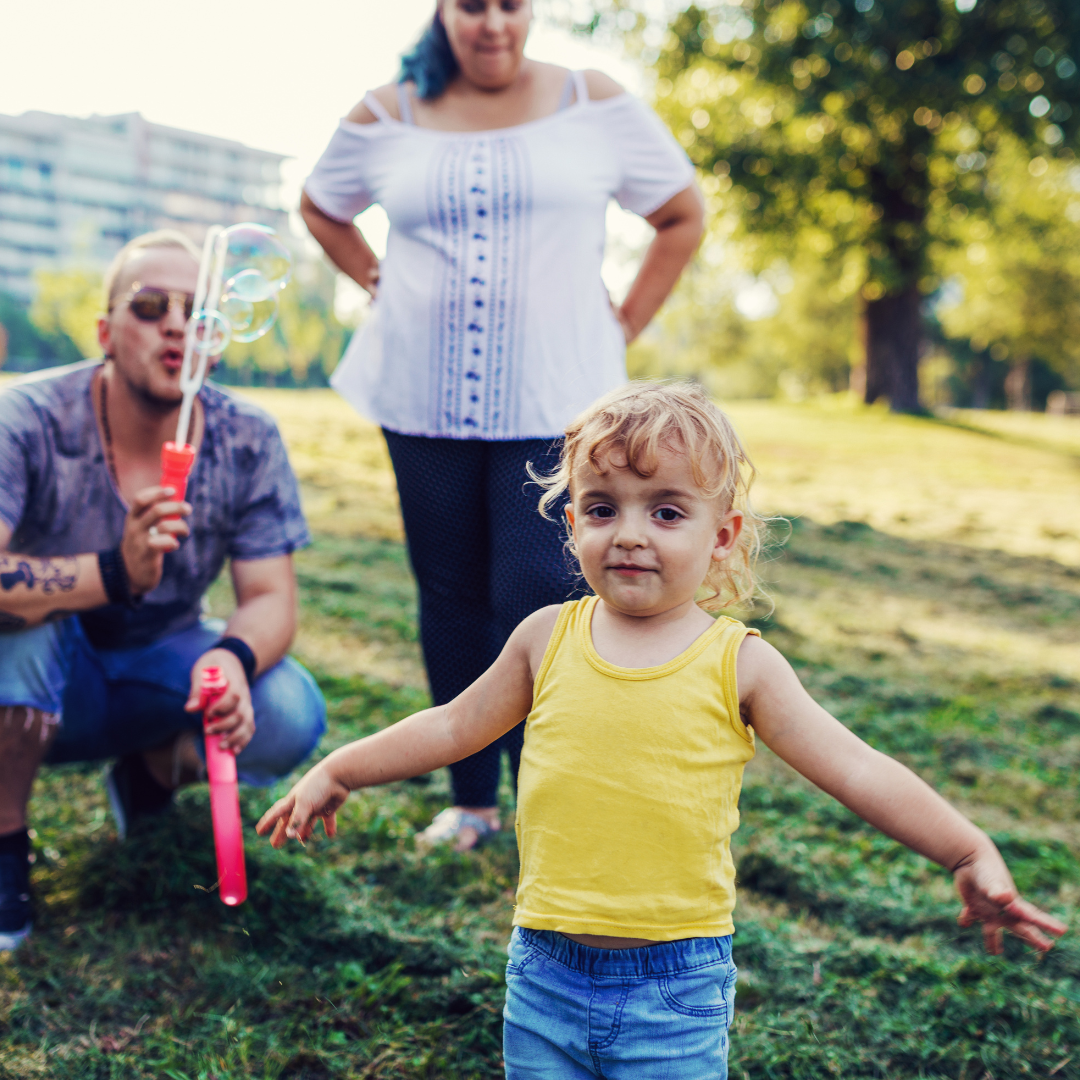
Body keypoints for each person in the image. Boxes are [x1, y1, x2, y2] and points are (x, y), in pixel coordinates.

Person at [257, 381, 1066, 1078]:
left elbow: (855, 769)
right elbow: (453, 725)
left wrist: (965, 849)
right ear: (572, 524)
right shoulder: (546, 638)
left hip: (675, 988)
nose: (632, 533)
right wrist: (343, 769)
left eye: (667, 511)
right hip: (543, 972)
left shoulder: (740, 665)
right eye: (604, 508)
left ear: (721, 538)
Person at [301, 0, 704, 850]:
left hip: (555, 402)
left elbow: (680, 214)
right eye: (471, 6)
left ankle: (544, 800)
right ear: (443, 13)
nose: (492, 23)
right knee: (448, 592)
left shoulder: (593, 103)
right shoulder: (387, 112)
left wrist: (621, 324)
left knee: (534, 594)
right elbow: (321, 204)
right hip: (421, 398)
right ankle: (472, 802)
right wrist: (378, 279)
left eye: (509, 4)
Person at [0, 230, 326, 951]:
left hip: (163, 662)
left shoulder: (247, 436)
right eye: (150, 305)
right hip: (41, 674)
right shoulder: (27, 418)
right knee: (17, 633)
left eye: (197, 310)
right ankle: (5, 841)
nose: (176, 323)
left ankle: (146, 776)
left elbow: (270, 594)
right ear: (105, 330)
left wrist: (233, 662)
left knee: (285, 710)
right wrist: (116, 572)